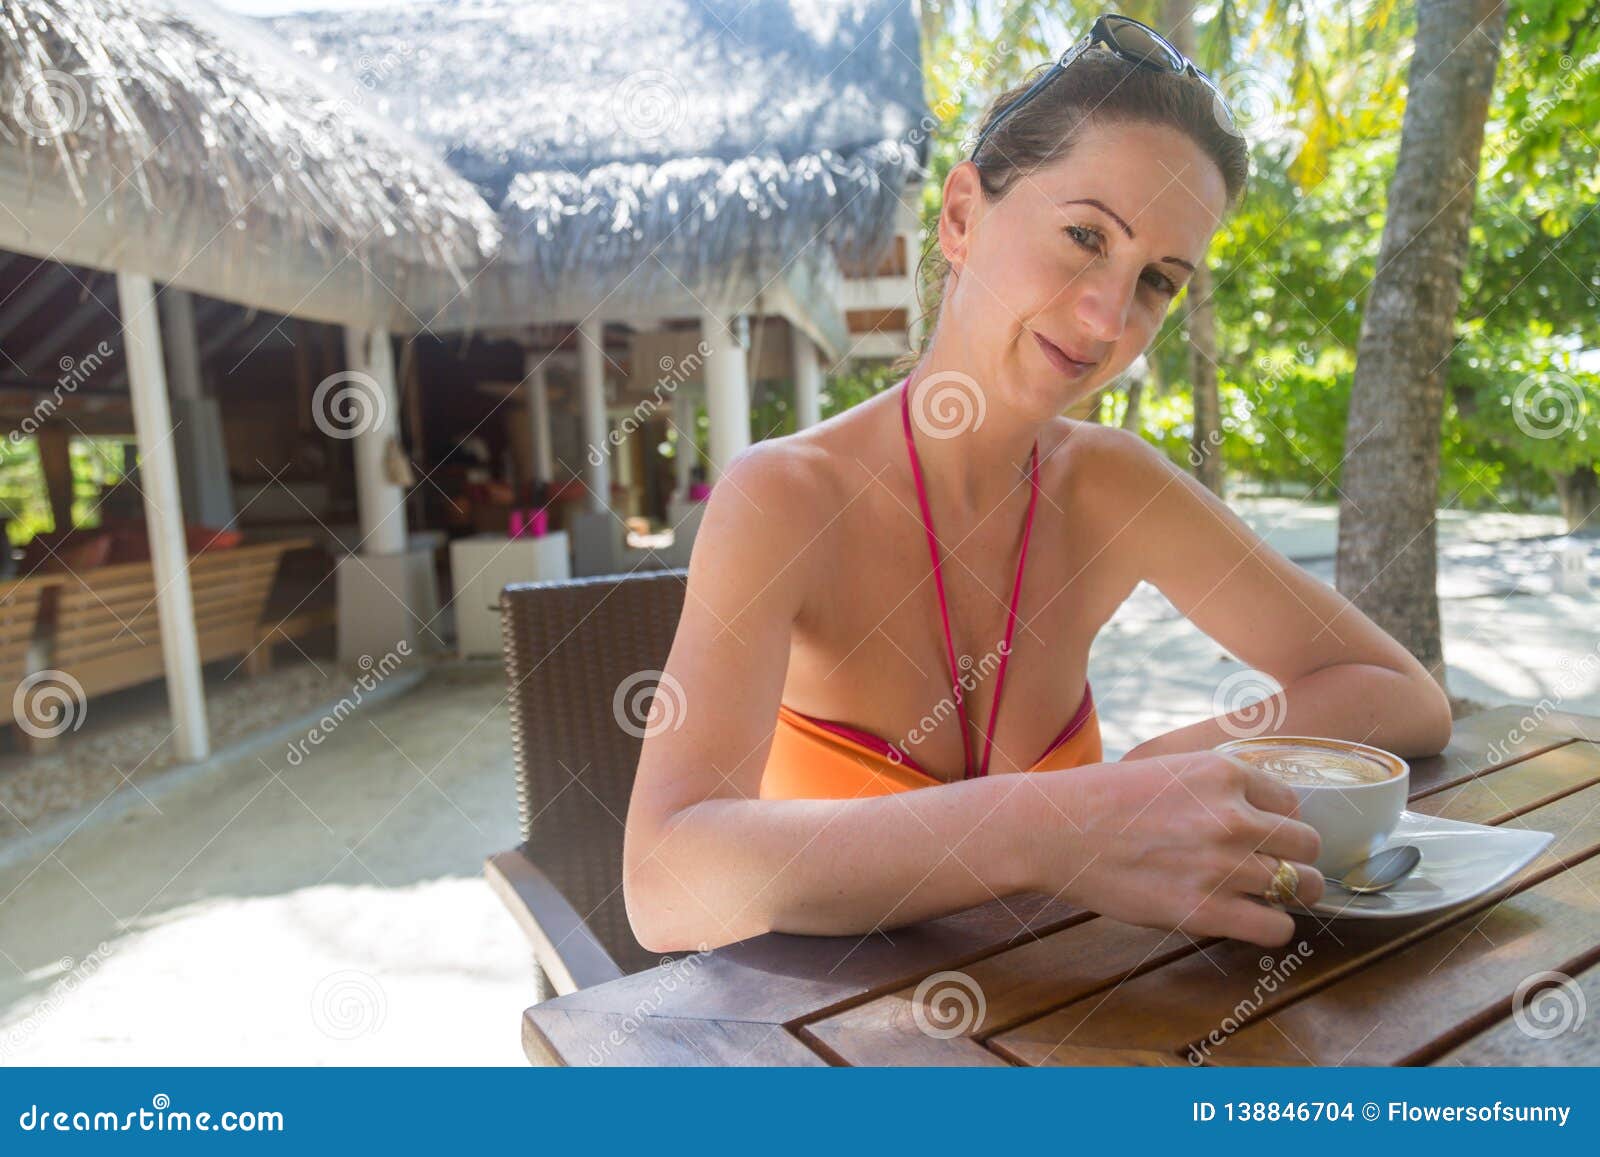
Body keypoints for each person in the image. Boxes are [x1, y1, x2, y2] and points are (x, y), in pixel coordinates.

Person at [623, 15, 1452, 954]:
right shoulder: (784, 498)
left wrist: (1155, 772)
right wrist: (1060, 820)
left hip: (1083, 1033)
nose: (1107, 317)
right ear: (963, 216)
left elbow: (1402, 695)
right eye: (1084, 235)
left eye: (1156, 281)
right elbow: (664, 883)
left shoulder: (1109, 484)